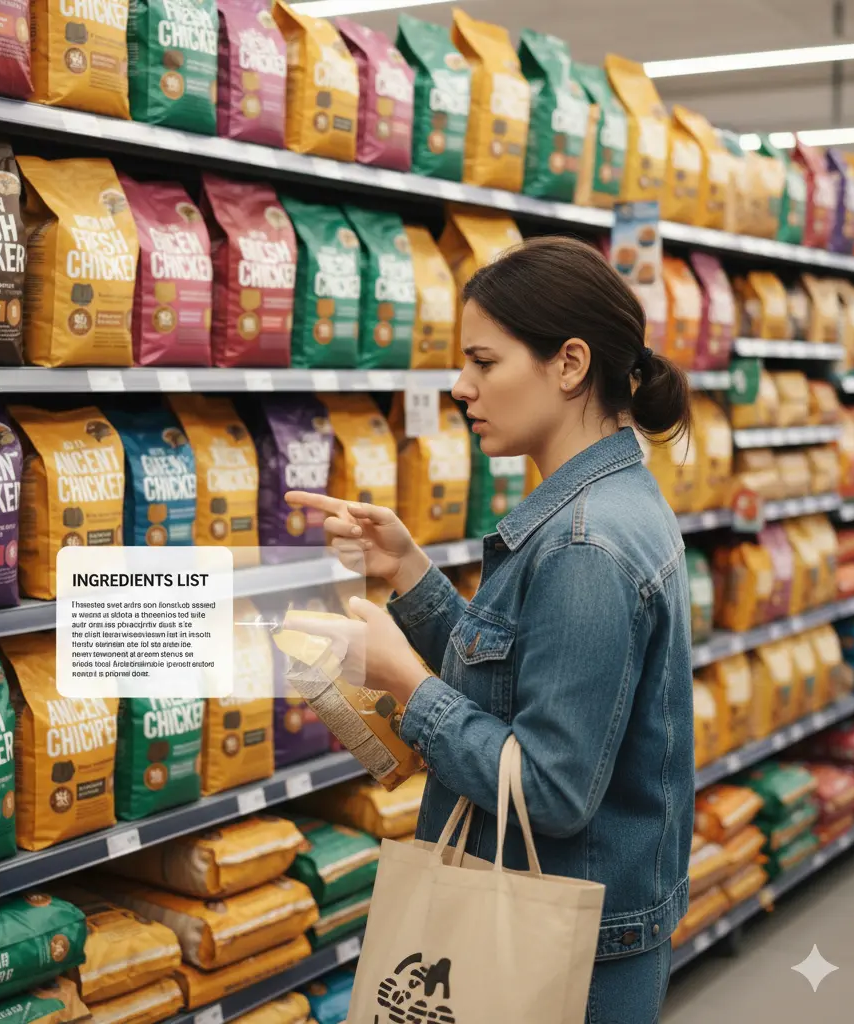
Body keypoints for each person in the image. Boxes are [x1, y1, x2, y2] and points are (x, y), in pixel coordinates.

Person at [286, 236, 694, 1024]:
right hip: (577, 927)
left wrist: (408, 683)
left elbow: (550, 789)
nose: (462, 385)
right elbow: (519, 681)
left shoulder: (585, 545)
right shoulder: (607, 506)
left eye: (484, 362)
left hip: (569, 958)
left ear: (569, 364)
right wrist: (406, 568)